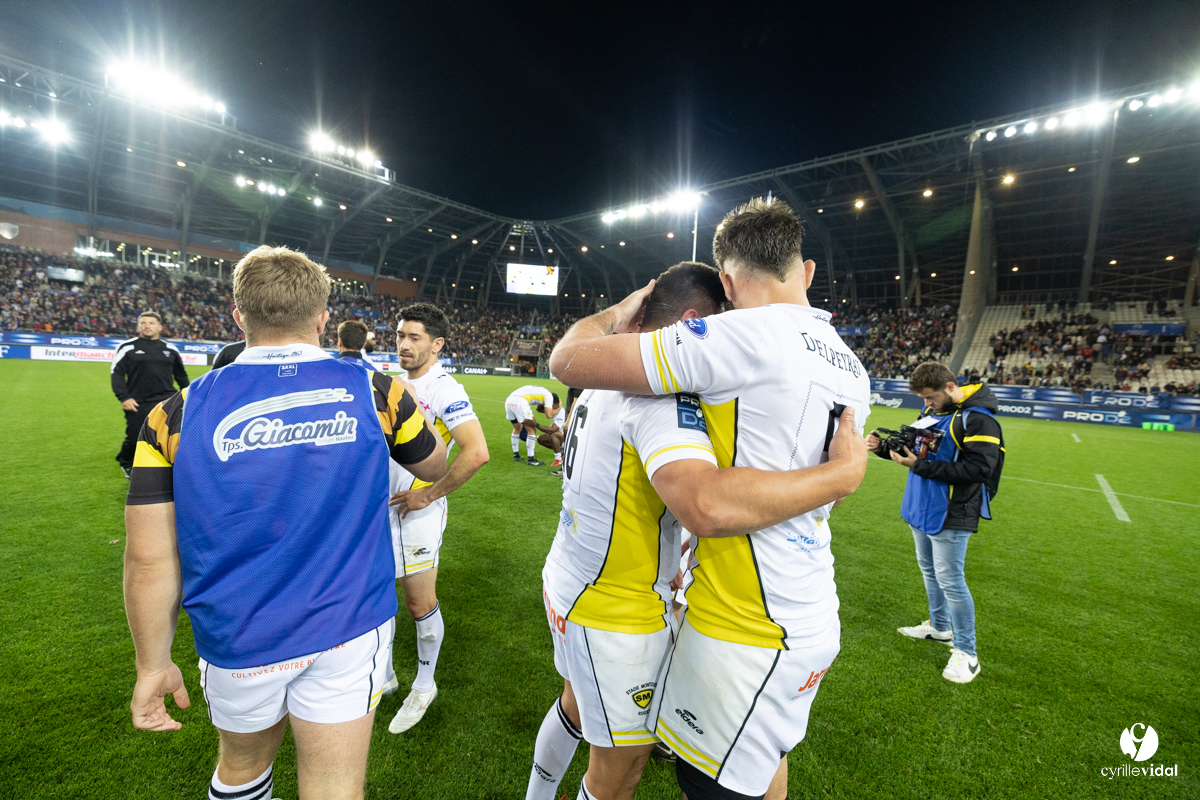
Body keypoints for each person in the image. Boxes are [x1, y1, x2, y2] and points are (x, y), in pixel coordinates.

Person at [549, 198, 873, 800]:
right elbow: (815, 497)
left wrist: (618, 313)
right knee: (758, 765)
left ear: (726, 281)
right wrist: (834, 482)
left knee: (711, 785)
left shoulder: (736, 334)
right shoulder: (852, 367)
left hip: (747, 623)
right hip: (803, 604)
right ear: (805, 272)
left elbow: (569, 362)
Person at [122, 245, 448, 800]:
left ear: (237, 315)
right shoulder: (377, 390)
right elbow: (434, 464)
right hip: (348, 623)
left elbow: (149, 556)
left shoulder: (172, 413)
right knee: (334, 786)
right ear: (322, 319)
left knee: (241, 772)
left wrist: (152, 663)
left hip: (236, 634)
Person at [383, 303, 490, 734]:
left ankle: (424, 685)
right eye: (400, 335)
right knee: (377, 594)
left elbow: (477, 451)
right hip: (383, 507)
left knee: (417, 602)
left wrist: (430, 493)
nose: (404, 344)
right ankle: (385, 675)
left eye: (415, 337)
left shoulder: (445, 389)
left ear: (437, 344)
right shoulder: (391, 384)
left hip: (417, 512)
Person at [866, 361, 1004, 684]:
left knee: (951, 580)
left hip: (951, 511)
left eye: (930, 397)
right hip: (921, 506)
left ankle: (967, 653)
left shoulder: (979, 419)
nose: (925, 404)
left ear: (950, 387)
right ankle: (940, 627)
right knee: (930, 571)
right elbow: (916, 453)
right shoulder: (933, 413)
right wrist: (882, 449)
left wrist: (920, 466)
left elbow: (978, 471)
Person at [111, 311, 190, 479]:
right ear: (139, 325)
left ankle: (168, 465)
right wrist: (124, 397)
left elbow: (181, 376)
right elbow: (116, 373)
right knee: (134, 437)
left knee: (171, 435)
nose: (147, 325)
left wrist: (188, 396)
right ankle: (126, 462)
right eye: (143, 322)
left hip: (167, 400)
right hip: (138, 401)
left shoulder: (170, 349)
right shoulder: (128, 347)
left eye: (151, 323)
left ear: (160, 327)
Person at [505, 383, 557, 465]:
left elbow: (538, 409)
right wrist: (559, 408)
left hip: (509, 401)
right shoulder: (549, 396)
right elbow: (548, 415)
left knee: (517, 428)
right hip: (520, 401)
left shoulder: (543, 391)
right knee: (532, 429)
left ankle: (516, 455)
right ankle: (531, 459)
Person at [534, 394, 566, 468]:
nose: (549, 407)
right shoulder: (554, 409)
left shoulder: (561, 413)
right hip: (560, 436)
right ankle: (562, 452)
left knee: (553, 434)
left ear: (556, 404)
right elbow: (538, 409)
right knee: (540, 439)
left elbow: (552, 430)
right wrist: (543, 401)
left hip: (566, 437)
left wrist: (535, 424)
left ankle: (558, 459)